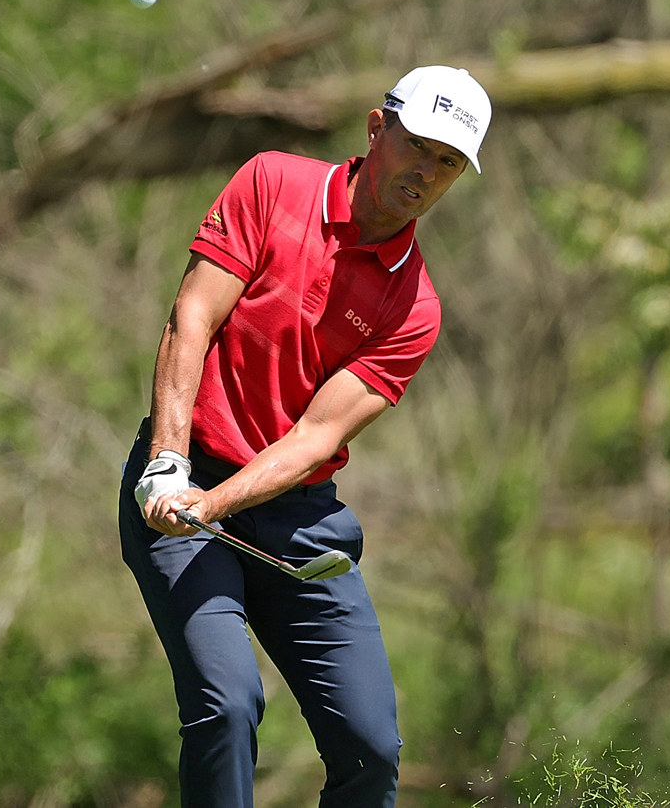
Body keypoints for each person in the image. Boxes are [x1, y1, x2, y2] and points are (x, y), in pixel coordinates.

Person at [119, 65, 492, 808]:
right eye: (416, 145)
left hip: (292, 514)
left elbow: (316, 440)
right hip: (180, 473)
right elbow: (192, 316)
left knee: (371, 746)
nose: (426, 171)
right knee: (227, 704)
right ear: (376, 128)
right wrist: (169, 461)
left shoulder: (414, 306)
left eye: (447, 162)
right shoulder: (273, 184)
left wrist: (217, 504)